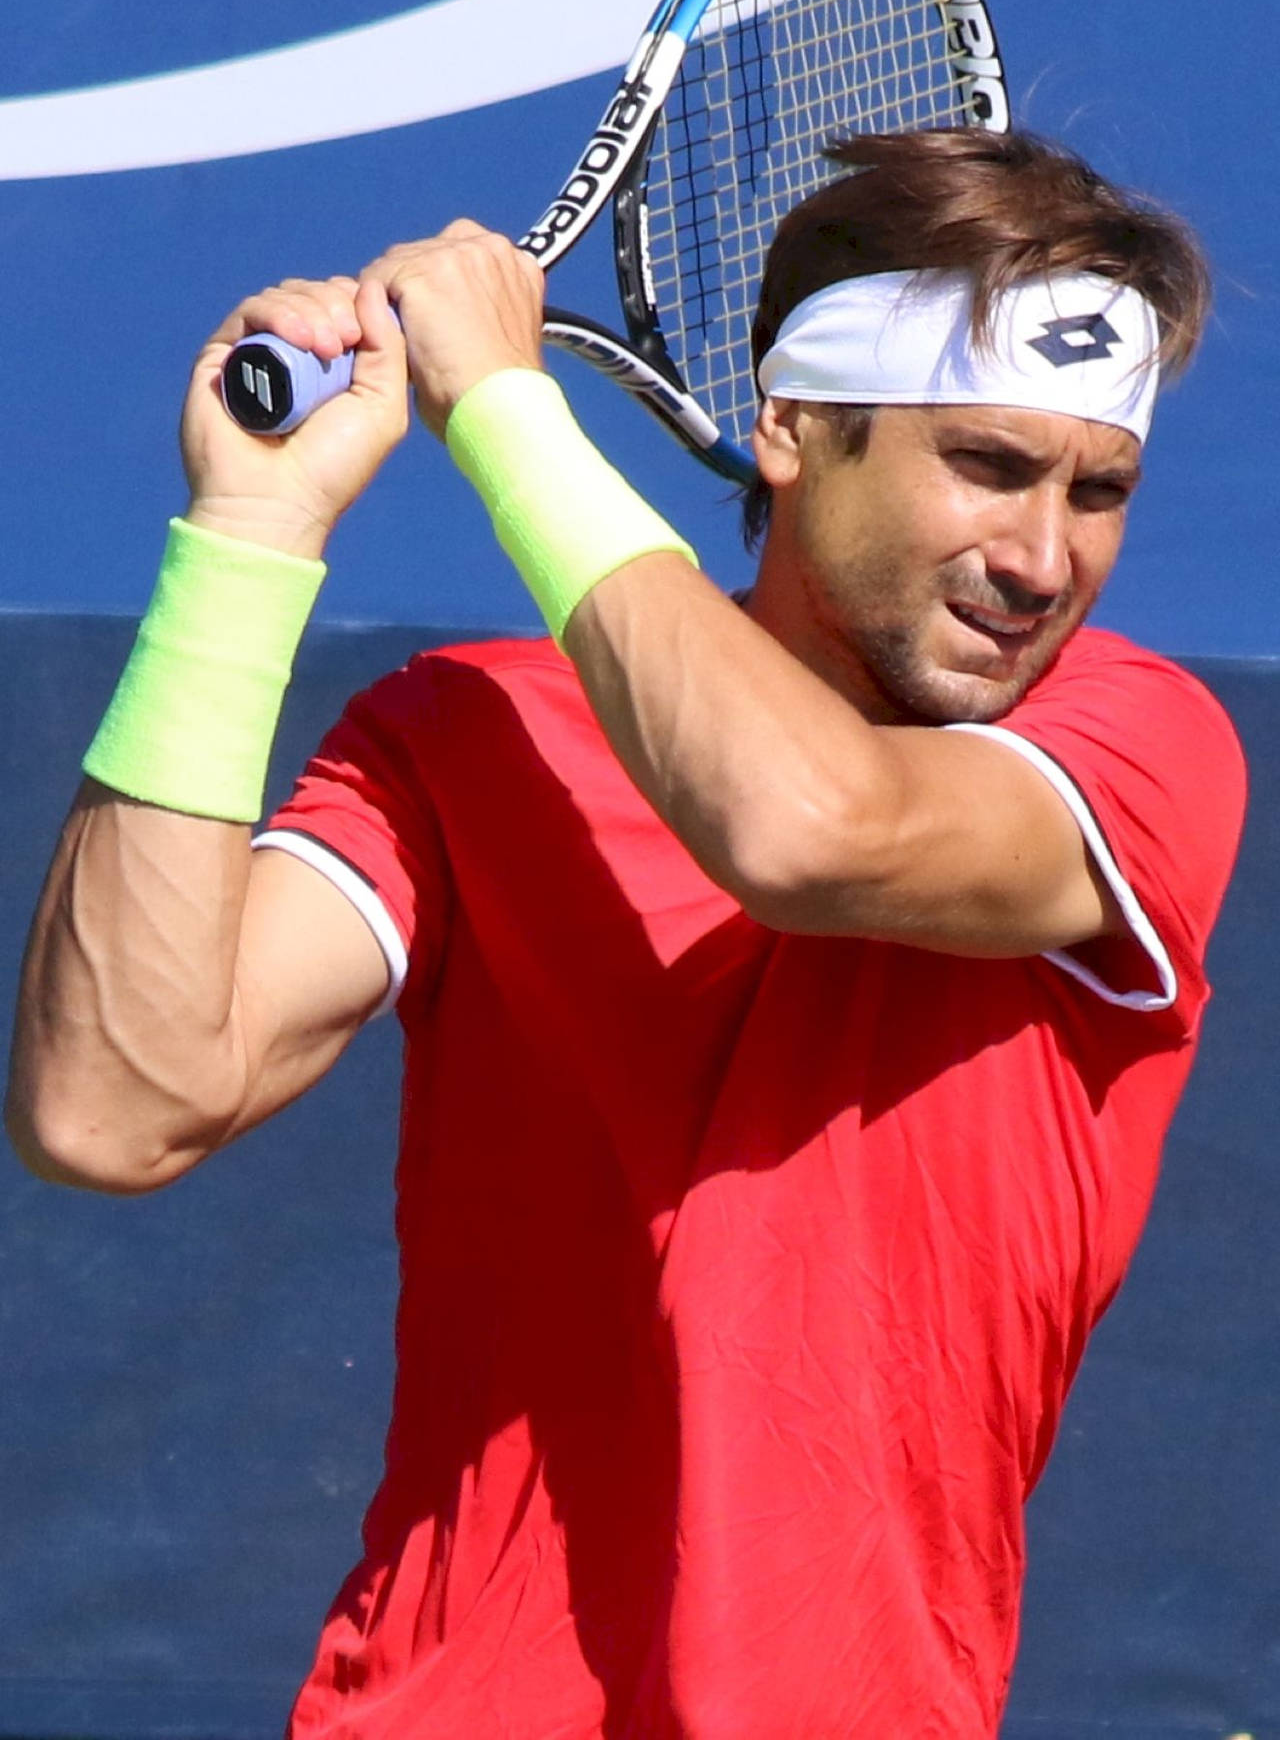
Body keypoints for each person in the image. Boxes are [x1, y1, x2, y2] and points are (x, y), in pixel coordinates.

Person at [6, 128, 1246, 1738]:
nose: (1041, 558)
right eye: (991, 467)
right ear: (791, 430)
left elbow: (805, 830)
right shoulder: (462, 739)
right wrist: (248, 536)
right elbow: (113, 1101)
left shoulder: (1139, 742)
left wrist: (506, 415)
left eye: (1101, 491)